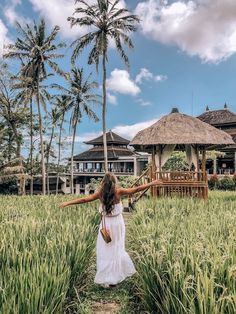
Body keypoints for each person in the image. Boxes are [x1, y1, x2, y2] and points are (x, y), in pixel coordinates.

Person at [59, 173, 162, 288]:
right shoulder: (119, 191)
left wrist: (67, 203)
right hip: (117, 224)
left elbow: (84, 199)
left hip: (106, 225)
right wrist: (151, 183)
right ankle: (114, 277)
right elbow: (136, 189)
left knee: (105, 250)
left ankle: (107, 277)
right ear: (114, 182)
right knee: (117, 248)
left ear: (103, 182)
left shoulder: (100, 194)